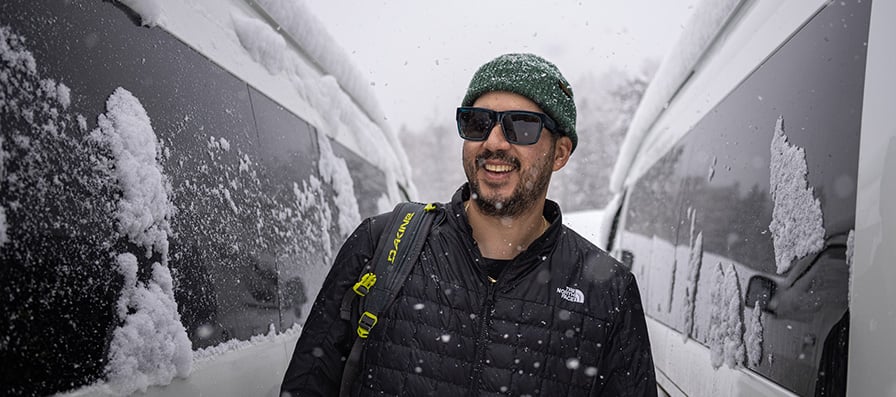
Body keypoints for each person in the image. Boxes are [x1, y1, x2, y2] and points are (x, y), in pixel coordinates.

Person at [280, 53, 656, 397]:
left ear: (559, 153)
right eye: (478, 123)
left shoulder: (607, 293)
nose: (493, 142)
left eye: (520, 127)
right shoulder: (382, 246)